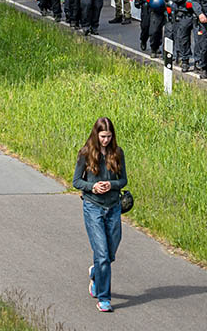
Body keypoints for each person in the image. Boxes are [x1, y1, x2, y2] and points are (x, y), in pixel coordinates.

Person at [72, 117, 127, 314]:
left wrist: (111, 185)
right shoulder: (85, 154)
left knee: (110, 253)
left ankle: (96, 273)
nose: (105, 140)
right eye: (103, 136)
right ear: (96, 135)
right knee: (102, 254)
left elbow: (124, 180)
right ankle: (104, 298)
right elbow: (76, 181)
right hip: (93, 207)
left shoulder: (117, 153)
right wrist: (93, 187)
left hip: (113, 207)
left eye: (109, 136)